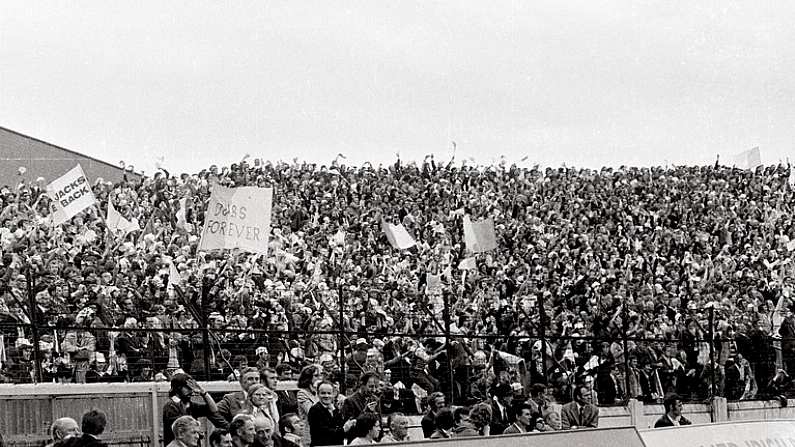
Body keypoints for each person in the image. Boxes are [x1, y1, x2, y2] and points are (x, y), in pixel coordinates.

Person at [162, 373, 225, 444]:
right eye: (188, 388)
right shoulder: (171, 406)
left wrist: (203, 392)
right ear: (178, 388)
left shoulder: (190, 405)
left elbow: (213, 409)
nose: (191, 391)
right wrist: (198, 431)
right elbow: (182, 427)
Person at [307, 381, 356, 447]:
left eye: (329, 393)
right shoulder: (315, 410)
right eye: (323, 393)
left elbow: (339, 424)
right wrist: (343, 429)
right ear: (318, 394)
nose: (326, 396)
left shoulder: (334, 408)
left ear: (333, 394)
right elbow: (323, 433)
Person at [340, 372, 381, 442]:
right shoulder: (350, 401)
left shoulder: (375, 399)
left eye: (375, 387)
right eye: (371, 386)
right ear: (362, 384)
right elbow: (349, 428)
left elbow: (379, 423)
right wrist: (366, 412)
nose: (374, 390)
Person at [295, 365, 320, 447]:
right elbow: (312, 412)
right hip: (308, 433)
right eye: (316, 376)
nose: (318, 378)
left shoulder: (317, 392)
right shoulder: (302, 393)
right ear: (309, 378)